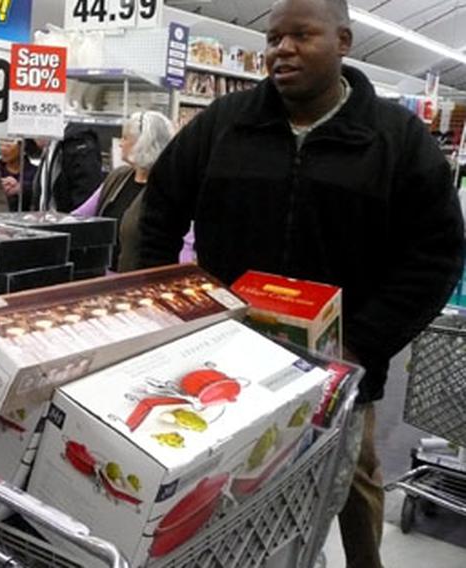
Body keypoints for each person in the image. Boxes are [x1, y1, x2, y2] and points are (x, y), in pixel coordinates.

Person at [137, 1, 465, 566]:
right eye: (273, 38)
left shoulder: (395, 139)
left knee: (351, 475)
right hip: (228, 358)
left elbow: (434, 254)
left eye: (300, 36)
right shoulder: (225, 123)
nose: (281, 49)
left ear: (343, 41)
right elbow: (160, 208)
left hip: (347, 363)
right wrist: (175, 307)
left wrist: (362, 341)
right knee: (235, 475)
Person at [74, 111, 175, 272]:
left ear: (143, 143)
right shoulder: (118, 177)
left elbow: (185, 249)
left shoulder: (169, 190)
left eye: (125, 138)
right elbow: (78, 217)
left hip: (139, 284)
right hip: (105, 279)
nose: (120, 143)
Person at [0, 139, 37, 211]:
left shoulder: (35, 173)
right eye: (1, 144)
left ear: (22, 147)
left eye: (8, 145)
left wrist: (21, 189)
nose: (3, 149)